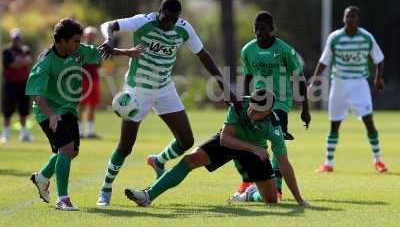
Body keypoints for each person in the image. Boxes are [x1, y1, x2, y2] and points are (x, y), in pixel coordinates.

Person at [96, 0, 235, 206]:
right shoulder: (143, 21)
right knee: (126, 146)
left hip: (164, 89)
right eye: (164, 18)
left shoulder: (183, 28)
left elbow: (203, 55)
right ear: (158, 12)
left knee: (186, 141)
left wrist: (222, 83)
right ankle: (105, 189)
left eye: (172, 20)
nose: (167, 23)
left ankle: (158, 160)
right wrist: (108, 39)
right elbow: (108, 25)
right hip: (137, 91)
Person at [26, 18, 143, 211]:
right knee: (66, 148)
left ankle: (42, 177)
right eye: (75, 41)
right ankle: (63, 199)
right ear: (60, 40)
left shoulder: (78, 51)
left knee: (72, 151)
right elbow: (37, 95)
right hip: (48, 111)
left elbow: (100, 52)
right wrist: (51, 115)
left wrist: (127, 53)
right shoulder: (46, 62)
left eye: (79, 41)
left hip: (69, 109)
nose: (78, 45)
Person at [124, 89, 309, 207]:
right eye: (251, 107)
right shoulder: (239, 105)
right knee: (190, 159)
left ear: (268, 112)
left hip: (254, 153)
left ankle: (249, 194)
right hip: (231, 142)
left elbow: (284, 164)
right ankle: (147, 196)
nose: (251, 111)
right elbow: (225, 139)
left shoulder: (274, 126)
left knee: (271, 201)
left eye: (257, 111)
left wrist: (300, 200)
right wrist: (254, 149)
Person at [234, 11, 311, 198]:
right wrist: (245, 101)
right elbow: (248, 77)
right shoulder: (247, 50)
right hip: (258, 102)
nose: (259, 33)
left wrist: (305, 108)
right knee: (251, 142)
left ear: (271, 29)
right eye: (256, 29)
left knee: (278, 141)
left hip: (281, 102)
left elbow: (299, 77)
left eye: (263, 29)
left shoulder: (284, 50)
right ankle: (248, 181)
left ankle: (276, 187)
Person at [309, 6, 387, 173]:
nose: (350, 19)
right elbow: (324, 61)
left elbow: (379, 59)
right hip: (339, 84)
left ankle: (378, 160)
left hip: (359, 84)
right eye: (347, 16)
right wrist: (315, 79)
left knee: (369, 122)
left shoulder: (366, 37)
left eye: (353, 16)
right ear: (343, 19)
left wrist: (378, 78)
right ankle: (328, 163)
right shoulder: (335, 38)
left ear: (358, 19)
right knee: (334, 124)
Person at [1, 28, 33, 143]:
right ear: (12, 38)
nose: (17, 40)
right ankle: (5, 134)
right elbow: (11, 65)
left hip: (23, 83)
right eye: (15, 38)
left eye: (18, 38)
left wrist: (20, 63)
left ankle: (24, 134)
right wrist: (21, 63)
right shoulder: (7, 50)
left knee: (23, 109)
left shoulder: (26, 50)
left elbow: (29, 62)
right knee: (7, 110)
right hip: (10, 83)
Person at [79, 26, 102, 139]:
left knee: (92, 105)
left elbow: (99, 64)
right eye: (89, 35)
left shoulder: (96, 49)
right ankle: (78, 131)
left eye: (92, 35)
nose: (90, 37)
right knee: (80, 105)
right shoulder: (79, 48)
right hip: (81, 79)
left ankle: (90, 132)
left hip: (94, 79)